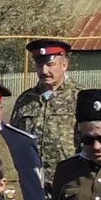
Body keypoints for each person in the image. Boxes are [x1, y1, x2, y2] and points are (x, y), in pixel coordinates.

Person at [14, 38, 79, 171]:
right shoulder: (25, 100)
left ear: (64, 65)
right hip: (31, 177)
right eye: (39, 65)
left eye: (50, 64)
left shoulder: (79, 97)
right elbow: (15, 139)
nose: (43, 71)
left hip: (67, 177)